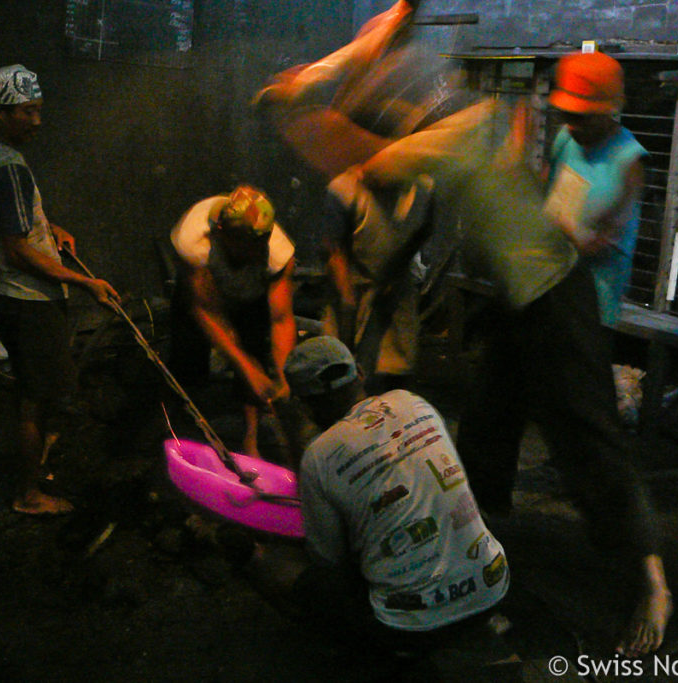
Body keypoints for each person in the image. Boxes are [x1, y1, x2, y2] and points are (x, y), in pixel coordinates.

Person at [323, 79, 672, 656]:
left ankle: (653, 585)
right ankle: (482, 551)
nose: (571, 122)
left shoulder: (450, 137)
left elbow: (372, 166)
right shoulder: (483, 125)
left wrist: (303, 114)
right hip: (518, 298)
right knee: (487, 422)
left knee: (589, 438)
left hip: (559, 298)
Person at [225, 336, 510, 654]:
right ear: (359, 372)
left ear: (305, 403)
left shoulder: (319, 456)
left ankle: (246, 556)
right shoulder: (413, 402)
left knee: (301, 576)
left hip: (408, 629)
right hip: (492, 592)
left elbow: (328, 559)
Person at [254, 0, 472, 390]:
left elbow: (424, 227)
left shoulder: (415, 177)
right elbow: (332, 250)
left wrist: (392, 277)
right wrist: (349, 304)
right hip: (355, 287)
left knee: (391, 371)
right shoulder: (347, 184)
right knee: (342, 373)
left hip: (395, 288)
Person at [0, 64, 120, 515]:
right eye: (27, 112)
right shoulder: (9, 167)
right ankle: (29, 495)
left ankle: (36, 469)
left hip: (6, 295)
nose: (37, 121)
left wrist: (48, 229)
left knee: (42, 390)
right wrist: (82, 280)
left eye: (38, 111)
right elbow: (16, 250)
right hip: (28, 298)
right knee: (36, 400)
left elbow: (9, 222)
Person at [168, 186, 296, 457]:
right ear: (222, 233)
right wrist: (243, 365)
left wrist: (285, 378)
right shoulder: (195, 243)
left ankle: (250, 440)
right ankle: (181, 429)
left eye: (259, 243)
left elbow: (281, 319)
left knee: (255, 346)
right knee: (188, 352)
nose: (256, 249)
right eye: (246, 244)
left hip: (250, 289)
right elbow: (206, 311)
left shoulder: (277, 254)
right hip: (207, 290)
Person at [544, 51, 647, 325]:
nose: (571, 126)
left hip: (594, 305)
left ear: (608, 111)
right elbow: (549, 194)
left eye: (581, 117)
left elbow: (601, 242)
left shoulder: (629, 163)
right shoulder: (566, 139)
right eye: (566, 116)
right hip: (552, 289)